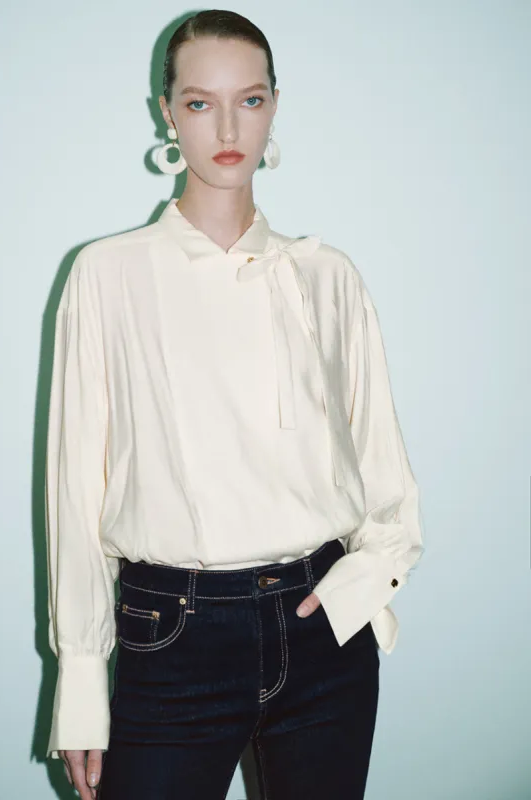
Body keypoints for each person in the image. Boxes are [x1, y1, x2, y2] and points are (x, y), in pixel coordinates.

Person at [44, 9, 424, 800]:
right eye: (199, 102)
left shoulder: (326, 276)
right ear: (166, 113)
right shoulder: (108, 274)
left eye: (249, 100)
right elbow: (75, 487)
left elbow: (385, 470)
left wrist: (364, 582)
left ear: (274, 107)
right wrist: (81, 676)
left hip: (323, 636)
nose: (226, 128)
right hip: (172, 634)